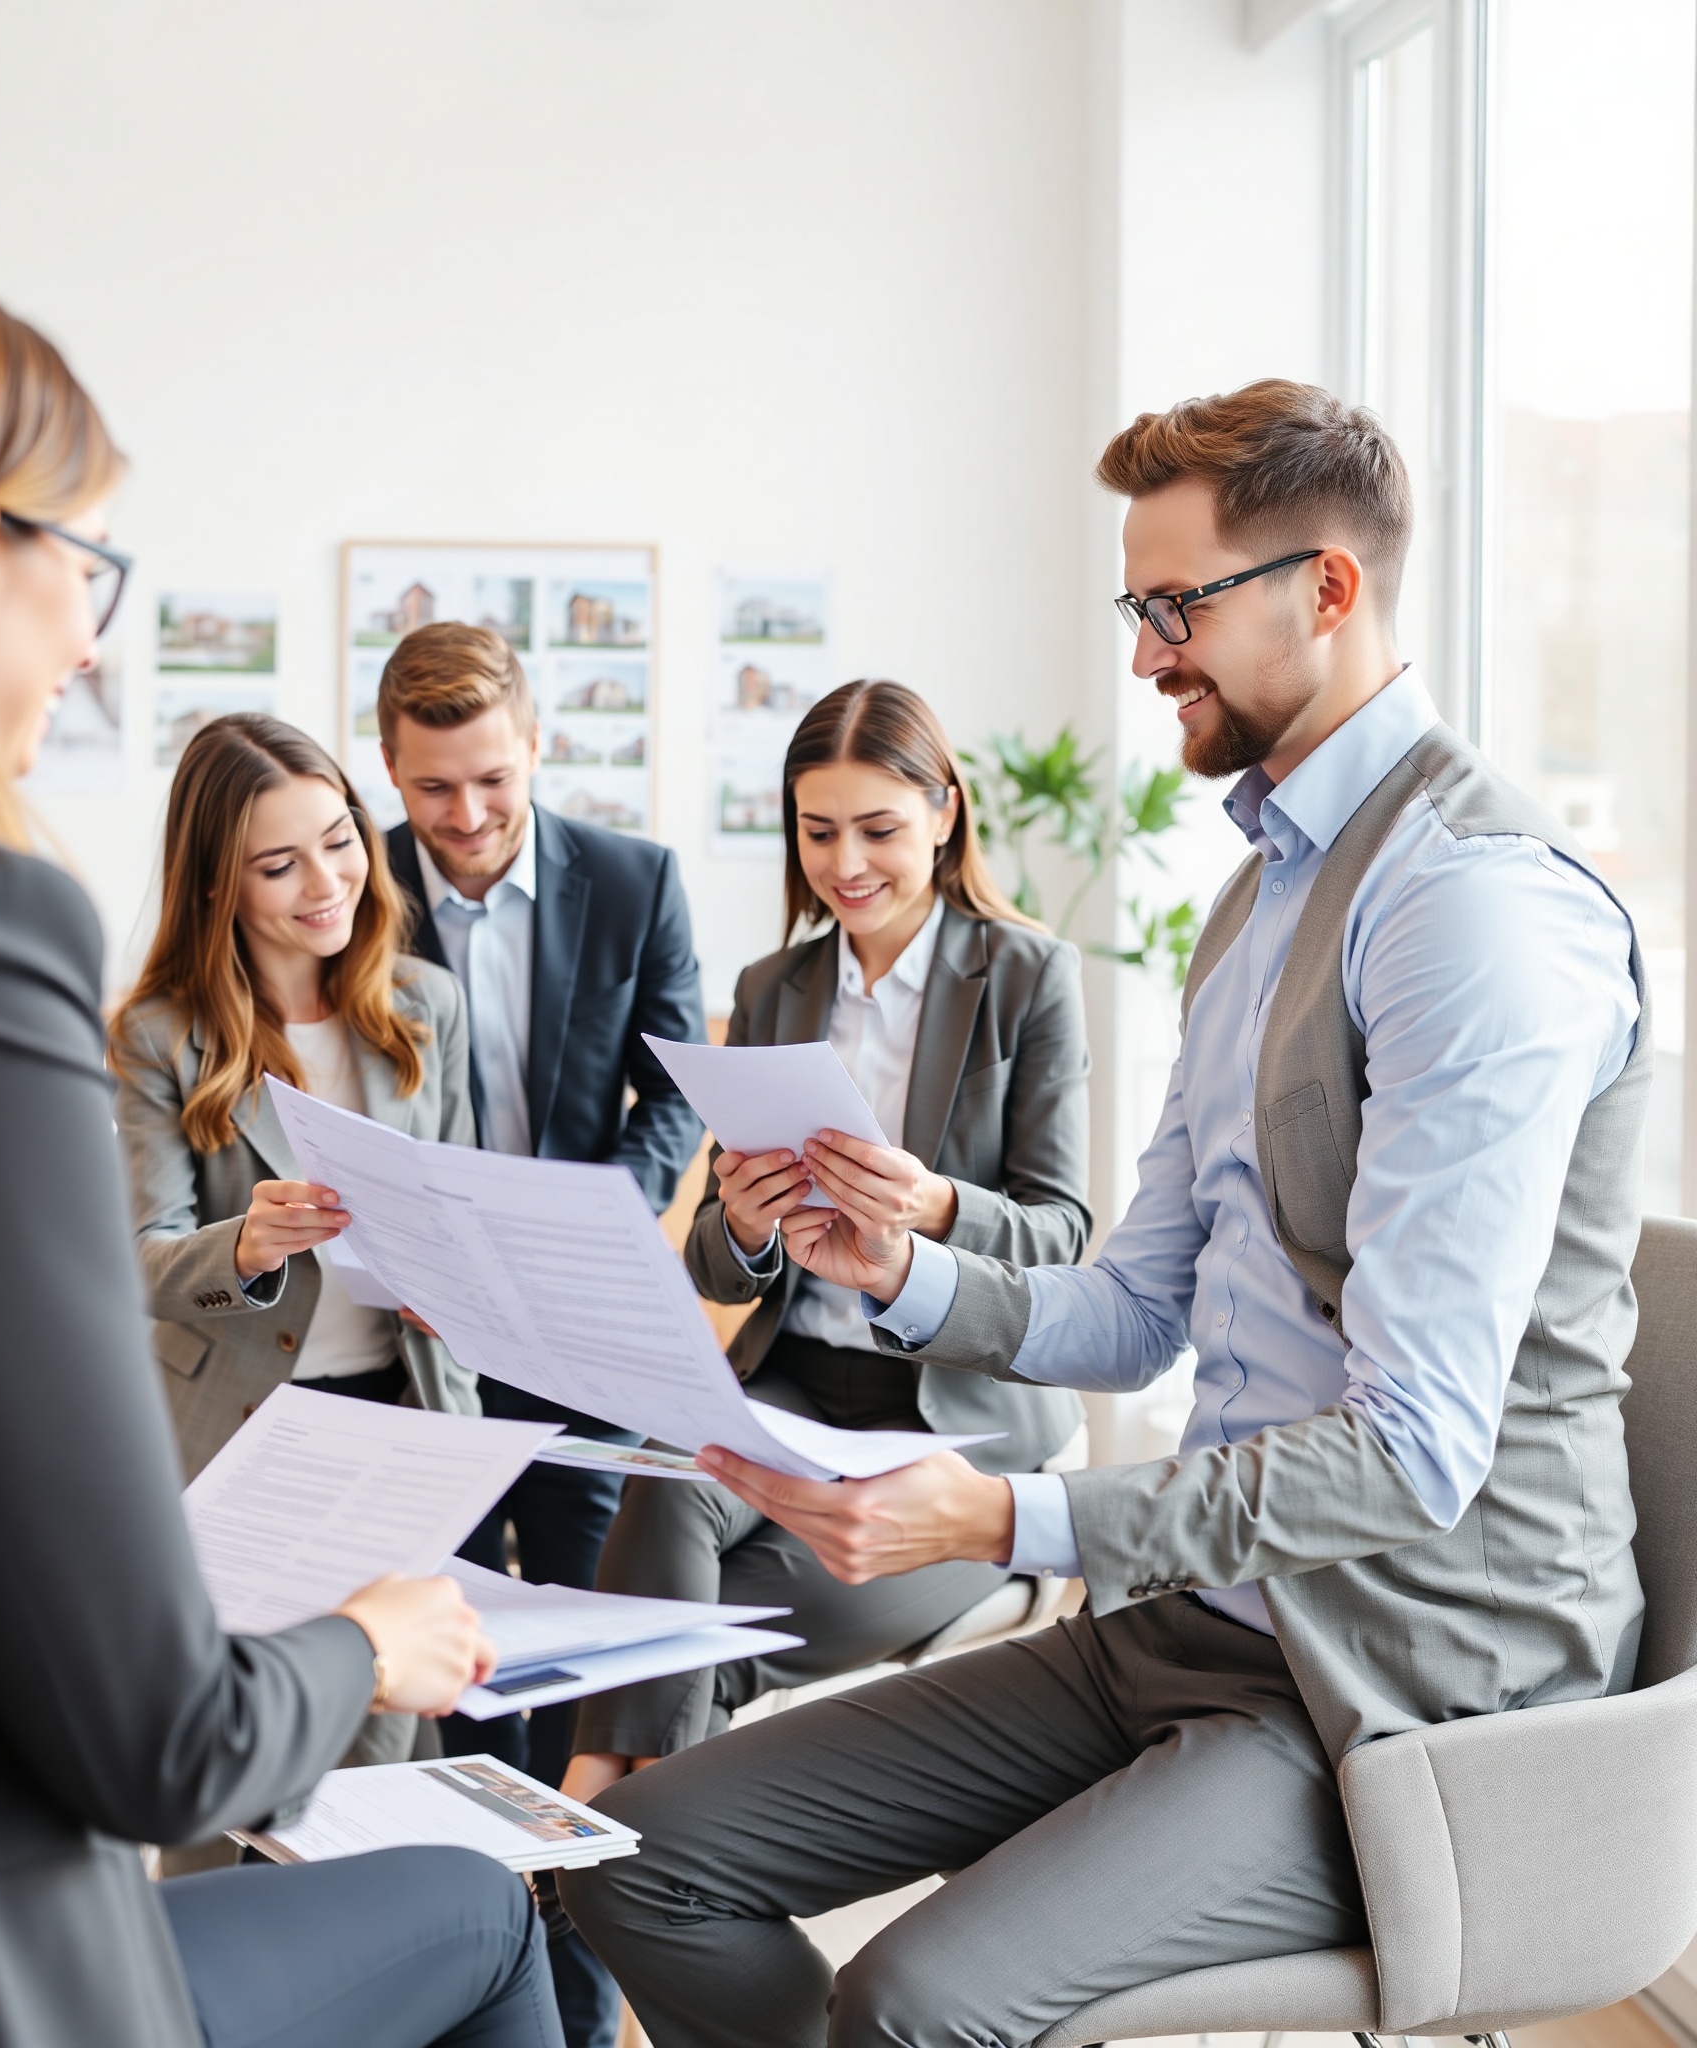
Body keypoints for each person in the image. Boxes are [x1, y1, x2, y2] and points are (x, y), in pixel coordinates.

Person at [561, 379, 1649, 2048]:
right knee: (638, 1859)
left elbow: (1416, 1446)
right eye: (1136, 609)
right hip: (1188, 1621)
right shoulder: (1258, 894)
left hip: (1393, 1676)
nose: (1143, 652)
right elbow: (1132, 1297)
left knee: (911, 2000)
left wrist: (1000, 1523)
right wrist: (905, 1269)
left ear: (1326, 589)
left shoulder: (1469, 912)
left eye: (1174, 606)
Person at [0, 251, 560, 2048]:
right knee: (478, 1906)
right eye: (89, 570)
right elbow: (154, 1734)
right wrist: (372, 1643)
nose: (89, 638)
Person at [562, 679, 1090, 1805]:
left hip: (952, 1416)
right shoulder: (772, 987)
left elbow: (1063, 1233)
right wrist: (745, 1221)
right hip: (797, 1383)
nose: (844, 862)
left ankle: (595, 1809)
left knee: (701, 1645)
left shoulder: (1027, 978)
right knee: (667, 1477)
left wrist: (932, 1205)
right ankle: (613, 1838)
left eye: (878, 828)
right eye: (817, 831)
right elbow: (713, 1253)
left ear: (944, 813)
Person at [376, 619, 707, 2048]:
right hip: (420, 1339)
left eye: (493, 784)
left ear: (536, 747)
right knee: (455, 1672)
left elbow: (676, 1094)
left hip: (581, 1322)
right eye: (435, 790)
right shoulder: (350, 892)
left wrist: (591, 1227)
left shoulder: (636, 883)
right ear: (389, 770)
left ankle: (583, 2012)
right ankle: (478, 1991)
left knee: (581, 1676)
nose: (465, 819)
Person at [111, 711, 479, 1781]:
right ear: (217, 883)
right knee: (228, 1758)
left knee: (380, 1753)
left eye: (340, 839)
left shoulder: (424, 1006)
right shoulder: (157, 1036)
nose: (327, 881)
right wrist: (250, 1244)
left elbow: (452, 1198)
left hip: (399, 1417)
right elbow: (137, 1258)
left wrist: (451, 1280)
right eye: (279, 863)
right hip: (238, 1433)